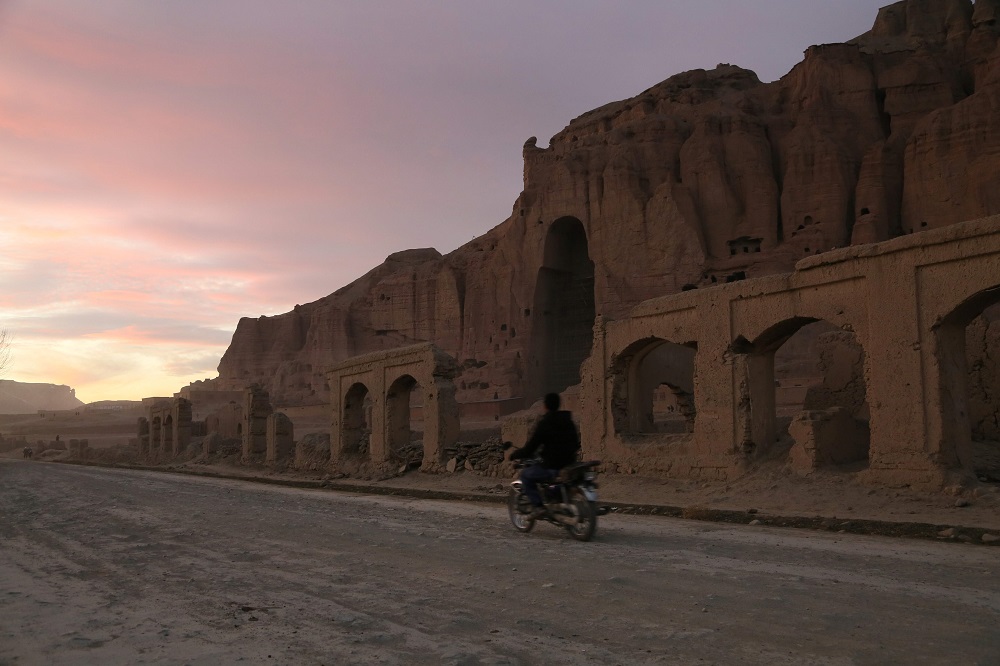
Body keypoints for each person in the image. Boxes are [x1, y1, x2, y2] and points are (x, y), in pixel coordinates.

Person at [509, 392, 581, 518]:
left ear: (545, 406)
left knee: (526, 475)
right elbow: (576, 443)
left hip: (552, 465)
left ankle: (538, 507)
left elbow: (531, 447)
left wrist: (515, 454)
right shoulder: (568, 421)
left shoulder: (545, 423)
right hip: (570, 463)